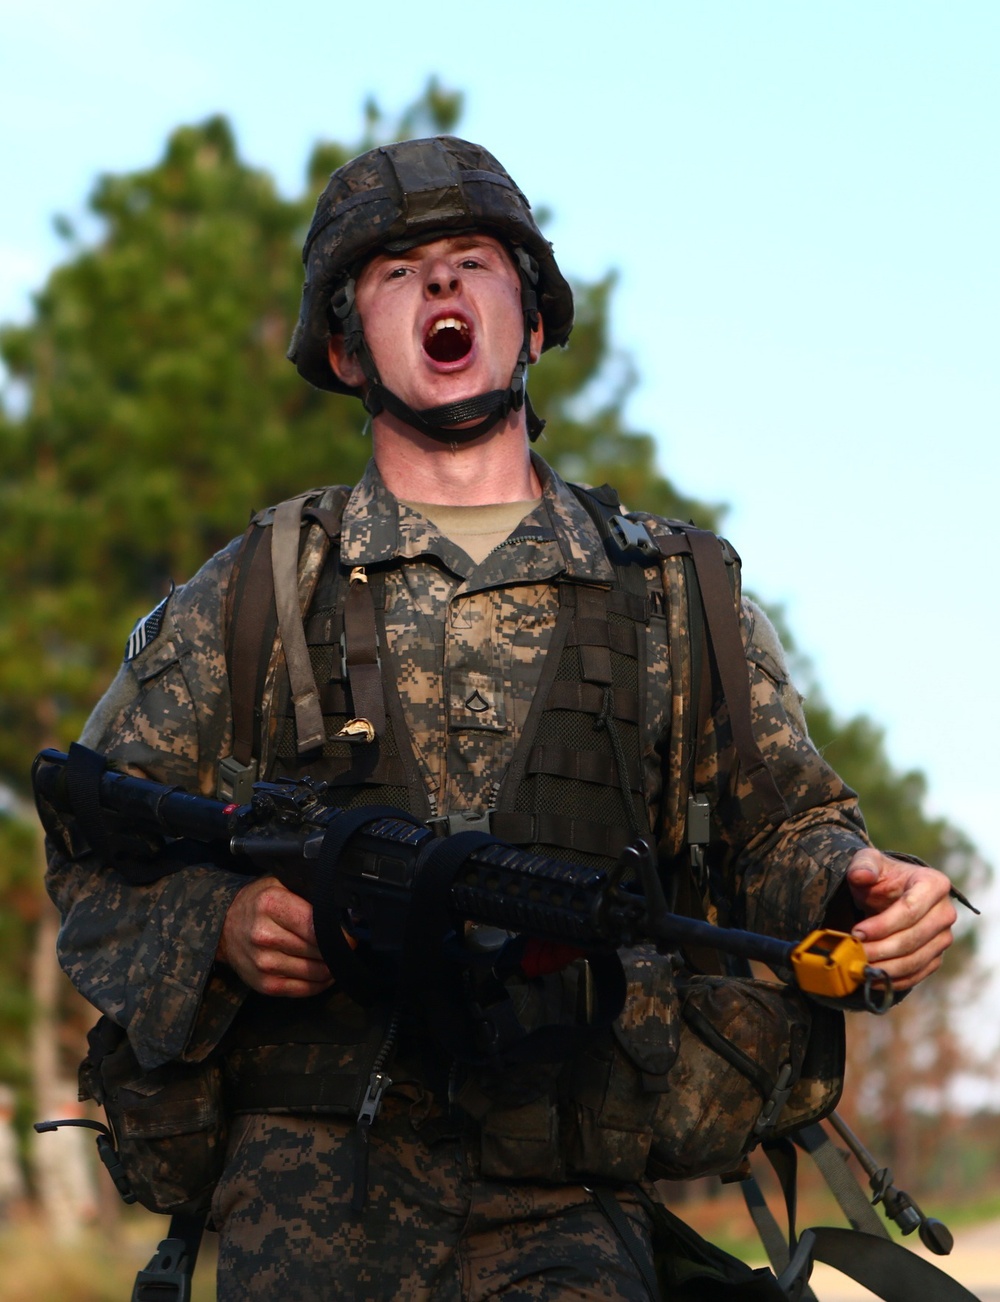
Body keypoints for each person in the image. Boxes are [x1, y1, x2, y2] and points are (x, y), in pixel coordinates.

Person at [45, 137, 957, 1300]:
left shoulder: (678, 593)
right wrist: (220, 928)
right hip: (310, 1206)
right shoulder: (258, 591)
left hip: (570, 1198)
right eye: (393, 270)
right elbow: (92, 846)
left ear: (529, 322)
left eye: (471, 259)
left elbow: (787, 832)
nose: (437, 284)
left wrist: (861, 890)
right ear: (343, 344)